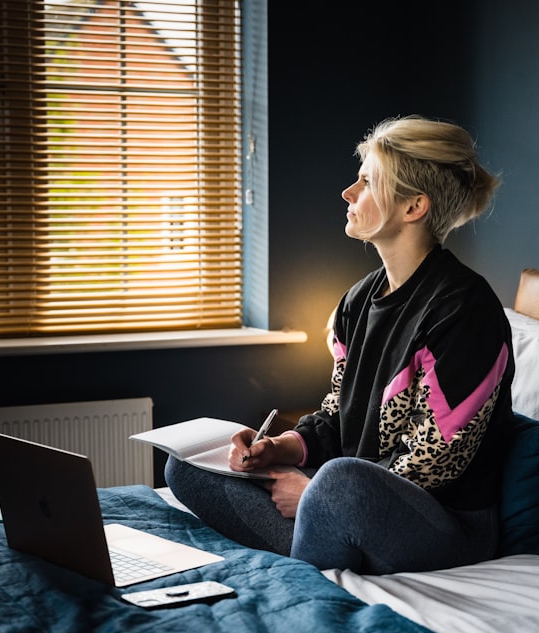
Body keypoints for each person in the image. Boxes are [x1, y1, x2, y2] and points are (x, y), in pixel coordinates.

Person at [165, 115, 513, 575]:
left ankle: (314, 536)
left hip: (445, 524)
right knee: (188, 465)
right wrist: (279, 448)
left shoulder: (465, 310)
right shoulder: (357, 300)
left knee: (341, 480)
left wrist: (313, 492)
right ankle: (318, 538)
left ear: (413, 207)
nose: (348, 193)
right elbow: (335, 416)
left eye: (366, 182)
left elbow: (434, 462)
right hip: (348, 496)